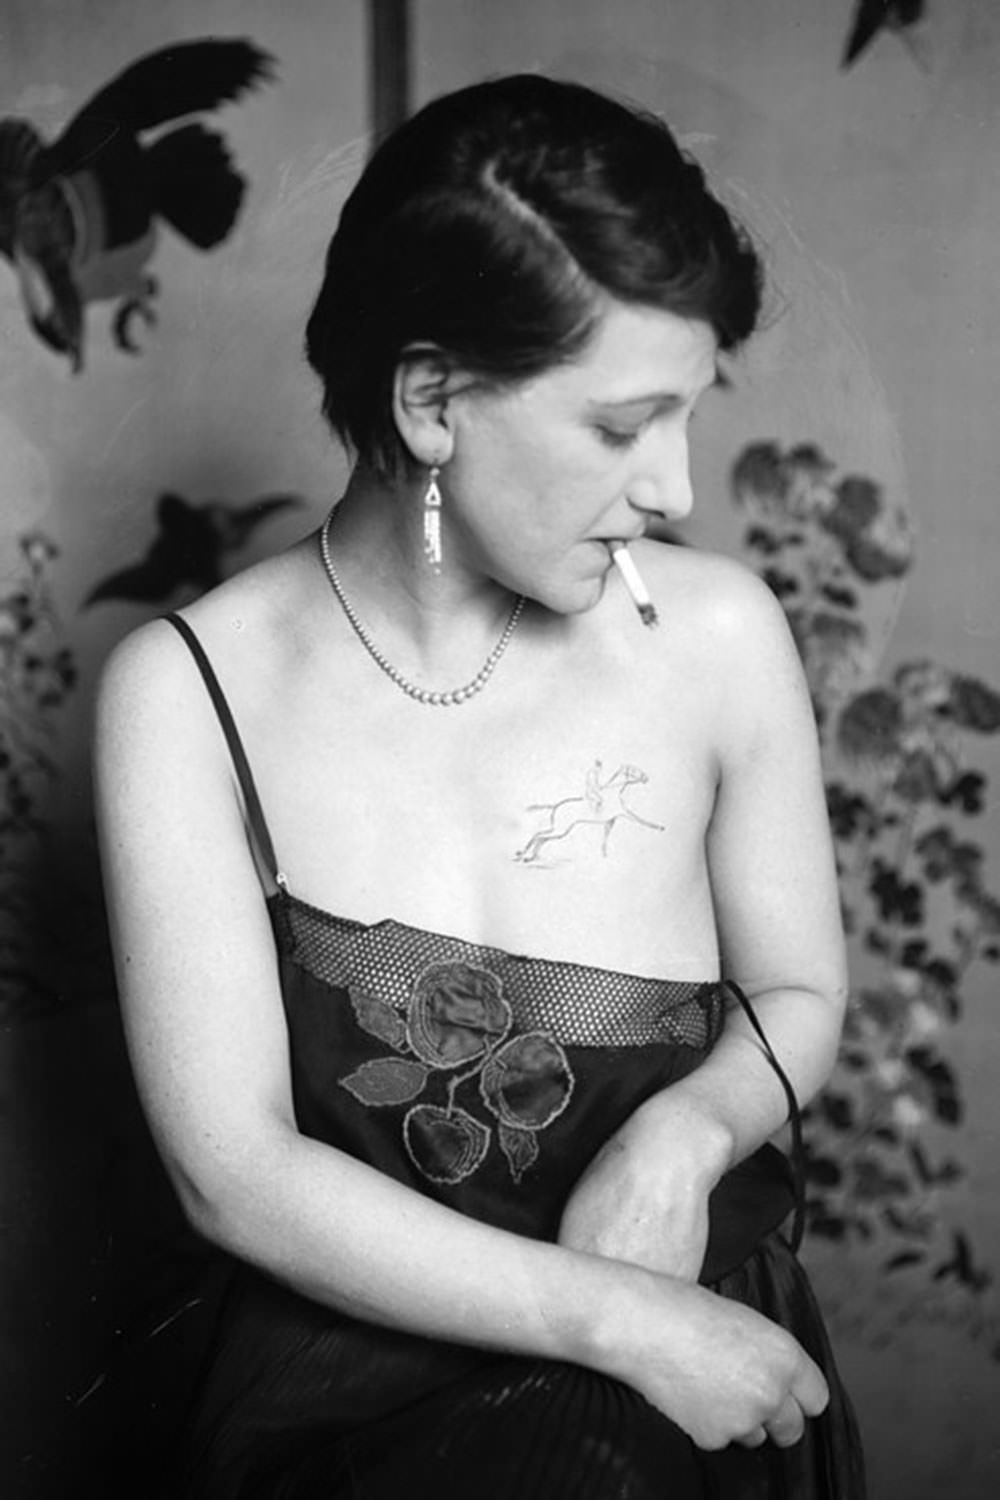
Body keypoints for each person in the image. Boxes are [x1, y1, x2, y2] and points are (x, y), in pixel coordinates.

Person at [94, 73, 866, 1499]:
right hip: (342, 1388)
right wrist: (621, 1321)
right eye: (623, 426)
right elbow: (235, 1173)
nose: (677, 490)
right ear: (435, 398)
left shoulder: (716, 636)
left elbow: (800, 996)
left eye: (690, 417)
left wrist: (680, 1140)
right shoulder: (183, 691)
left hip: (683, 1365)